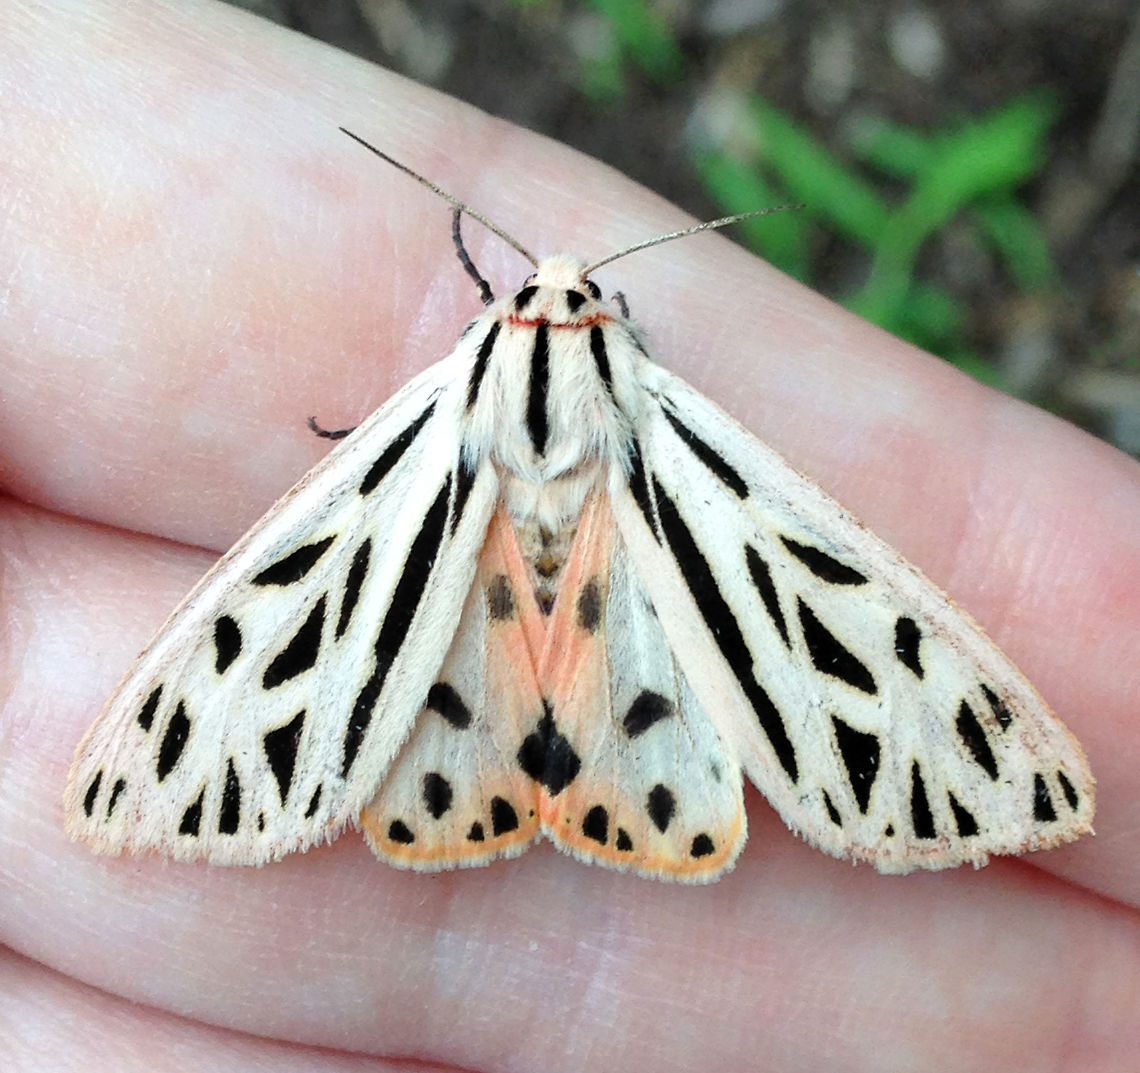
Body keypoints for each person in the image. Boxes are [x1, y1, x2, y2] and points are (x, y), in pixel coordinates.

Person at [0, 3, 1134, 1070]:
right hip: (612, 658)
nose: (556, 301)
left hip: (499, 650)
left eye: (565, 302)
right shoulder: (648, 411)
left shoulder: (450, 398)